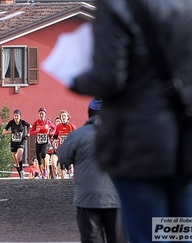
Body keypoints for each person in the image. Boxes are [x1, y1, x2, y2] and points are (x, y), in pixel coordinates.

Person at [70, 0, 192, 242]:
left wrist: (74, 78)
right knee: (186, 232)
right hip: (190, 138)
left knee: (147, 234)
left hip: (138, 142)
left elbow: (109, 78)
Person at [58, 99, 127, 243]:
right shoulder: (123, 134)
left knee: (91, 239)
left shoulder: (77, 135)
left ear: (89, 114)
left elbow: (62, 158)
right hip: (117, 198)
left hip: (87, 199)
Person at [3, 109, 31, 178]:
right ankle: (21, 175)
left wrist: (27, 135)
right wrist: (11, 132)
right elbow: (3, 132)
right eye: (15, 115)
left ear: (20, 116)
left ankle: (21, 171)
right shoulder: (11, 123)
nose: (16, 117)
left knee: (18, 156)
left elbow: (31, 127)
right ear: (13, 116)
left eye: (17, 116)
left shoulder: (23, 122)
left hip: (21, 142)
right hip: (13, 144)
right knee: (16, 162)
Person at [30, 107, 56, 179]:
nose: (41, 115)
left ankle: (44, 169)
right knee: (39, 159)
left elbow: (54, 128)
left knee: (43, 154)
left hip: (46, 142)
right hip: (38, 142)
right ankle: (43, 175)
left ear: (45, 114)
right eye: (40, 114)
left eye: (42, 114)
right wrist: (36, 131)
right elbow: (31, 132)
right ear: (38, 114)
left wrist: (52, 133)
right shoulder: (36, 122)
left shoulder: (48, 122)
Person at [54, 110, 76, 179]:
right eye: (62, 116)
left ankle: (69, 168)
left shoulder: (71, 126)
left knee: (67, 165)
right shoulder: (58, 126)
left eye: (64, 116)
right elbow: (55, 135)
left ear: (67, 117)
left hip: (69, 147)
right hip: (61, 148)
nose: (63, 117)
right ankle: (62, 181)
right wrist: (54, 141)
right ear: (60, 118)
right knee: (61, 164)